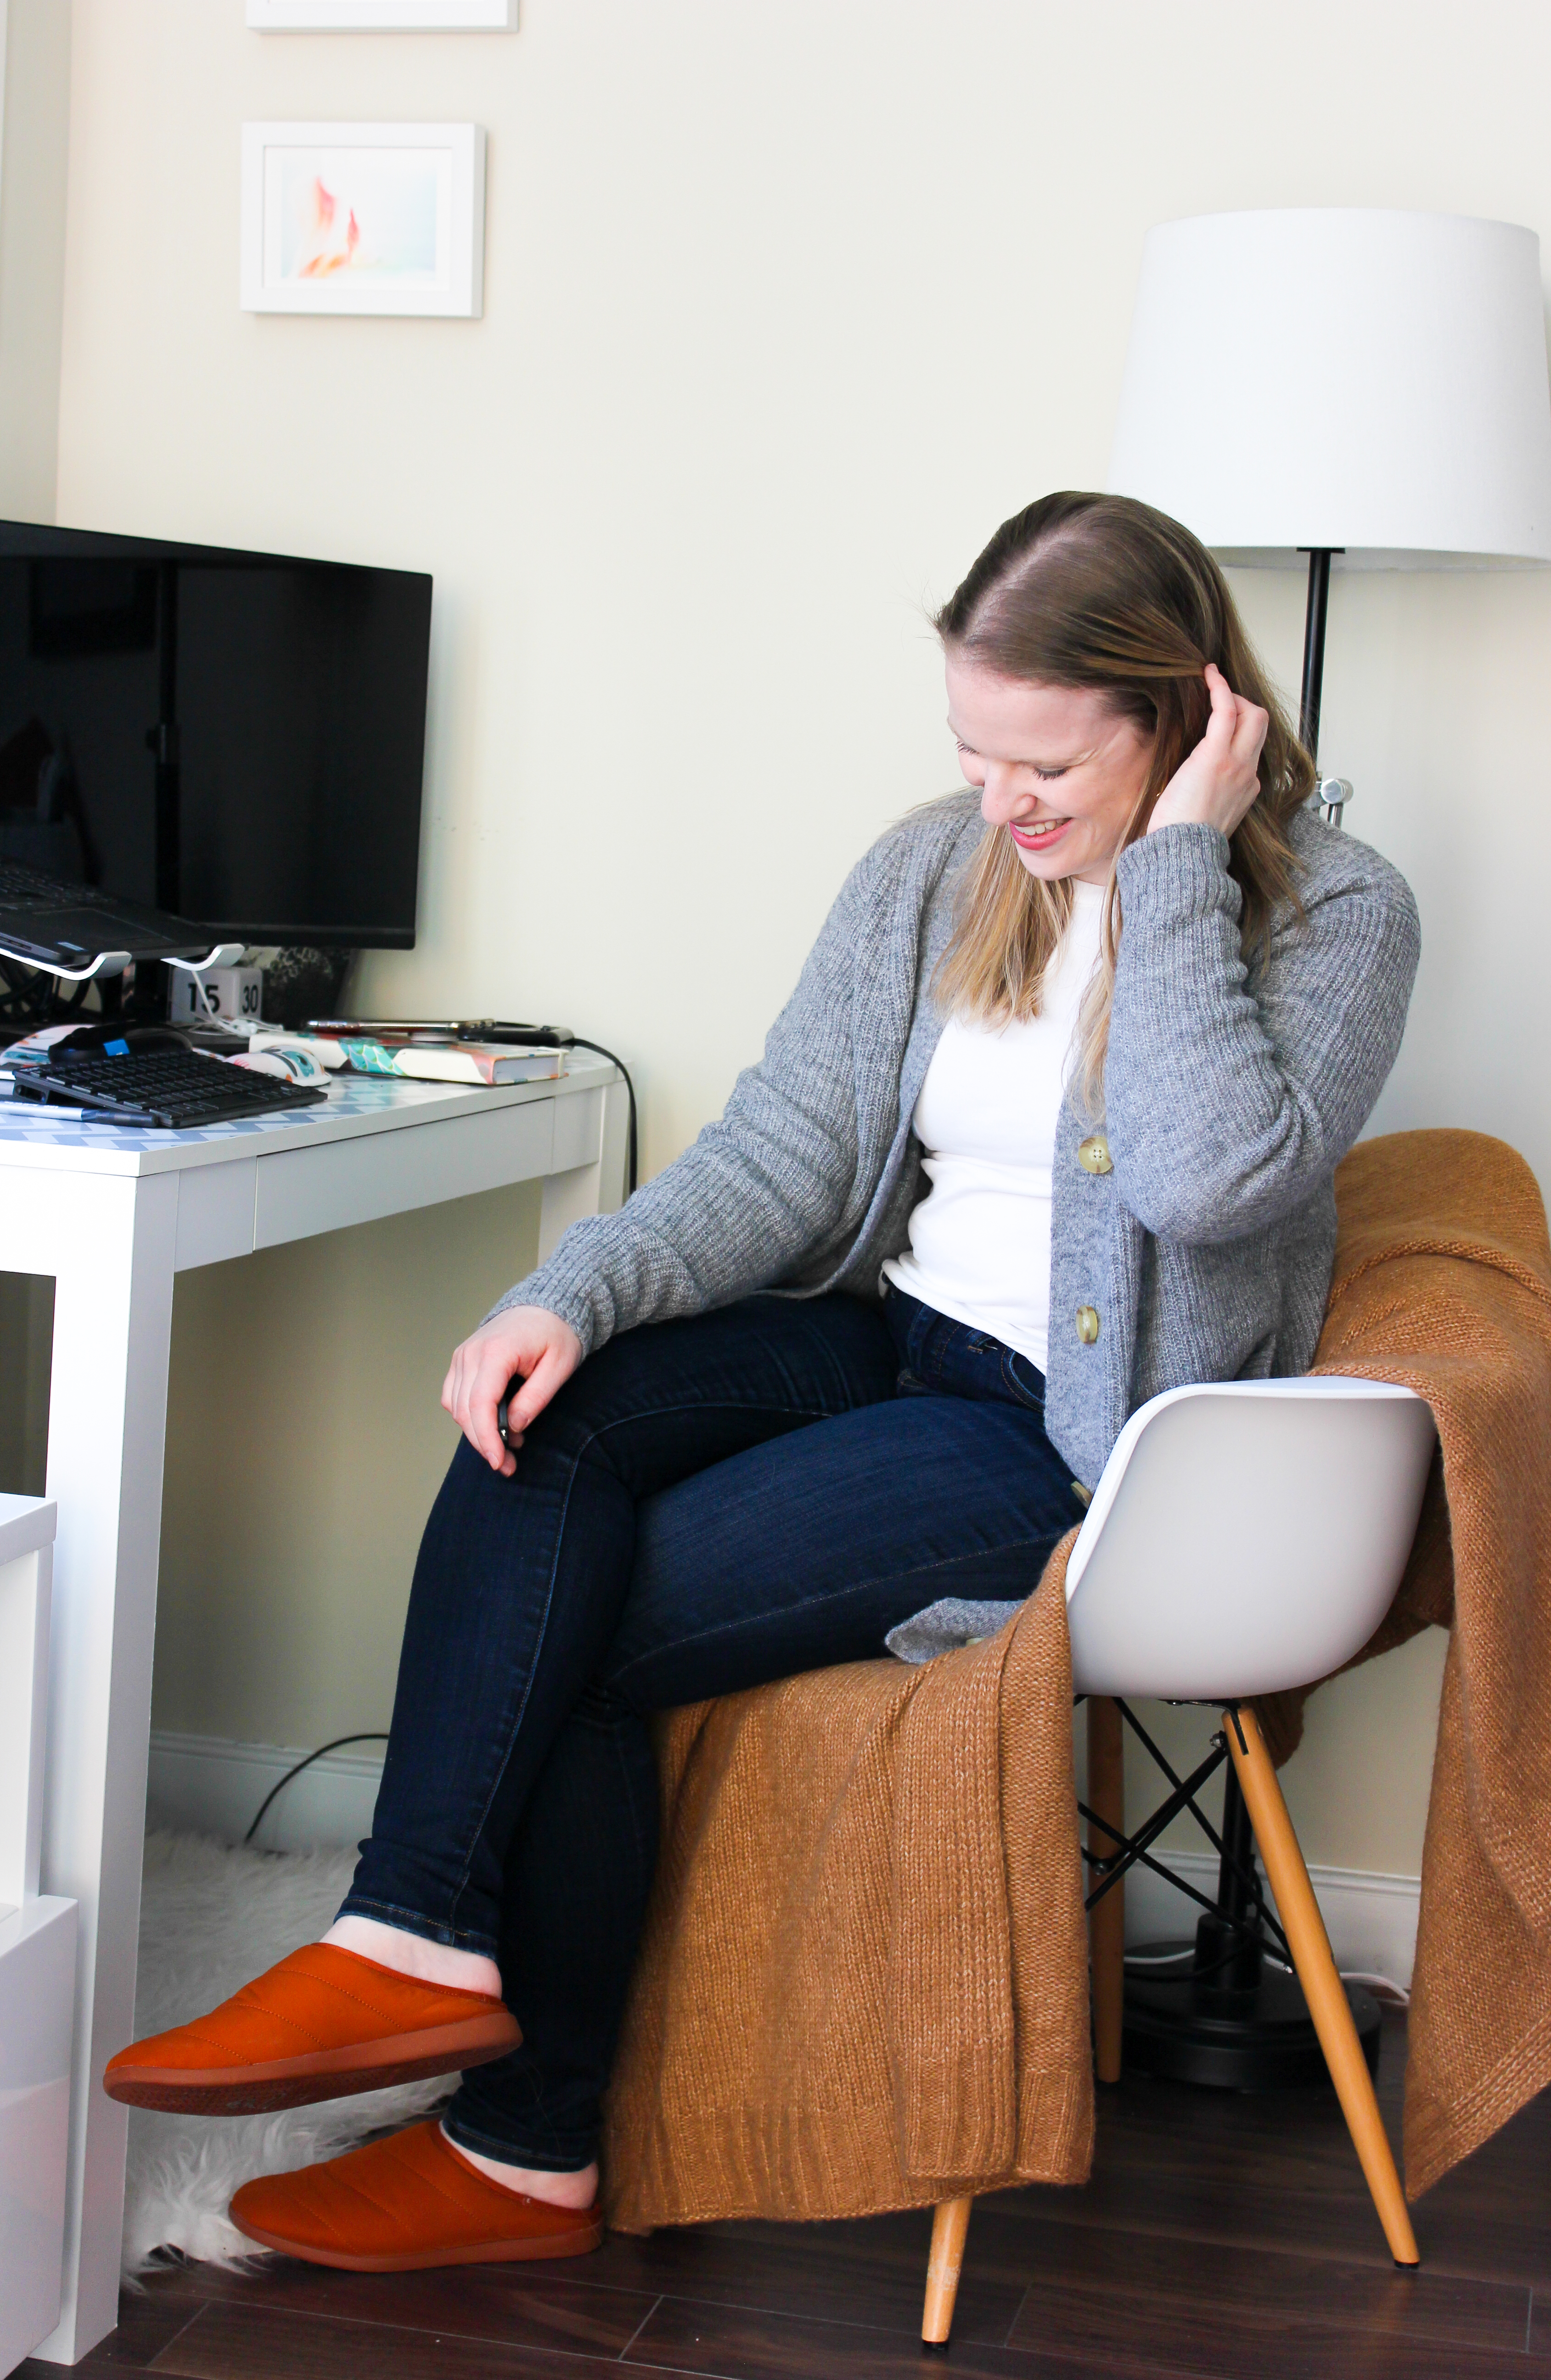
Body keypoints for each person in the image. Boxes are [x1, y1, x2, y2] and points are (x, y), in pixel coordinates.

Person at [105, 491, 1420, 2269]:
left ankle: (524, 2142)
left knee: (596, 1618)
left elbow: (1207, 1181)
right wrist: (575, 1291)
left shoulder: (1335, 912)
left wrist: (1173, 863)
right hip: (891, 1340)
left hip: (1073, 1445)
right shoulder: (934, 872)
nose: (999, 804)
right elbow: (793, 1151)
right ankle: (412, 1939)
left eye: (1042, 765)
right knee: (538, 1428)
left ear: (1184, 715)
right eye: (972, 753)